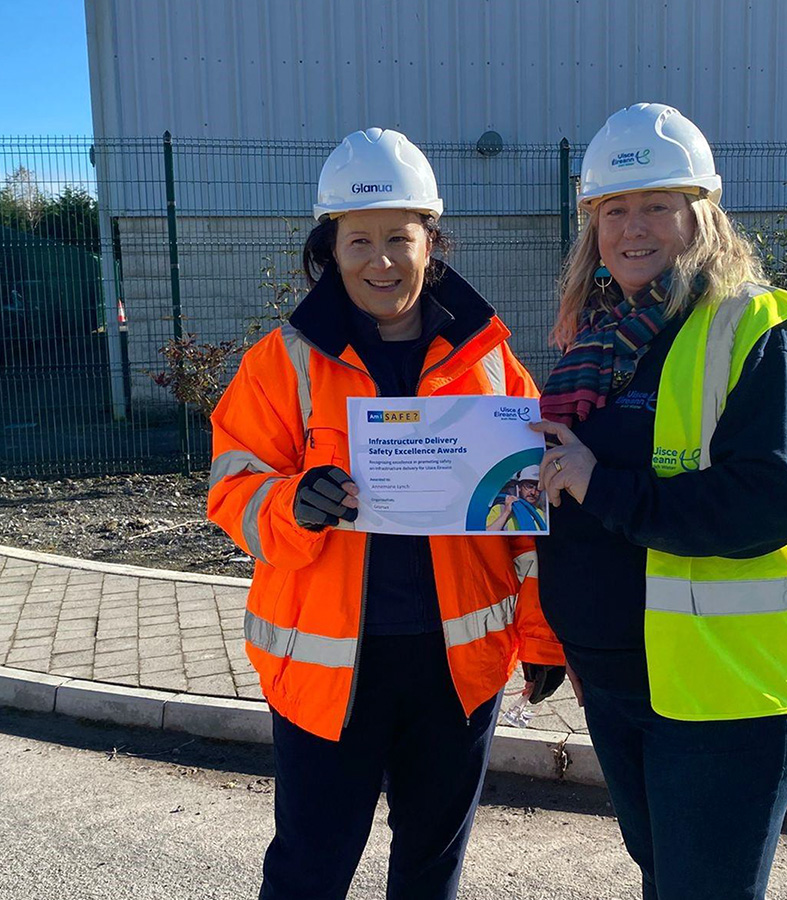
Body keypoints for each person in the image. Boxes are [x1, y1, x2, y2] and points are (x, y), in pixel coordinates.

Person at [207, 127, 565, 900]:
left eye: (399, 238)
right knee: (308, 867)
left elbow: (531, 520)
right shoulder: (282, 361)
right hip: (327, 671)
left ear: (431, 244)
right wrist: (291, 503)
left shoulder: (491, 361)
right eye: (358, 239)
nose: (380, 259)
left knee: (431, 870)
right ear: (329, 249)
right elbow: (232, 486)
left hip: (454, 670)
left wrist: (542, 635)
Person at [531, 103, 787, 900]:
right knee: (667, 879)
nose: (634, 228)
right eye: (614, 210)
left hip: (728, 690)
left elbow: (769, 502)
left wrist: (601, 483)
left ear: (700, 214)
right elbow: (570, 498)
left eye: (657, 206)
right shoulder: (594, 340)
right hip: (617, 675)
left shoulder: (755, 330)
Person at [486, 465, 546, 531]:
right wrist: (506, 513)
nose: (533, 492)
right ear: (519, 487)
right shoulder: (500, 509)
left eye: (538, 488)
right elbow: (487, 534)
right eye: (529, 486)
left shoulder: (540, 513)